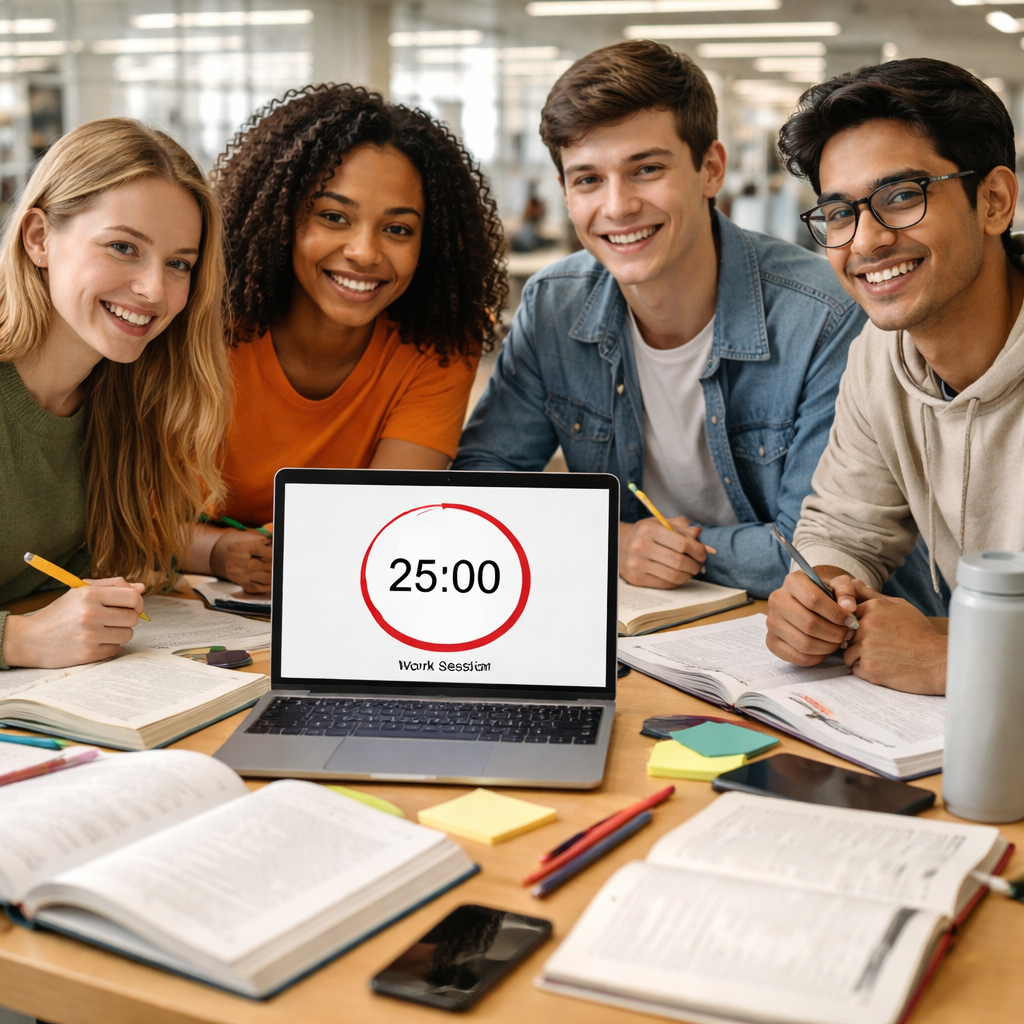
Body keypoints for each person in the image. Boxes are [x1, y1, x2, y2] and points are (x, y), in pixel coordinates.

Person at [455, 41, 941, 605]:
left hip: (840, 642)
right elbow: (481, 488)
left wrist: (660, 550)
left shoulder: (825, 314)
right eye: (587, 179)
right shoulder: (553, 308)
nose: (616, 207)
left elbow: (816, 553)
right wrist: (613, 542)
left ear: (710, 169)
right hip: (659, 630)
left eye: (646, 169)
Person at [766, 59, 1024, 694]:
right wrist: (822, 595)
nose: (866, 241)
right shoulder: (880, 355)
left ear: (993, 201)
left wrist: (961, 659)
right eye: (838, 213)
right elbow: (846, 529)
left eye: (902, 197)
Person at [199, 85, 507, 593]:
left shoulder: (442, 340)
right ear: (280, 216)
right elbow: (129, 518)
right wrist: (213, 551)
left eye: (399, 230)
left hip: (342, 593)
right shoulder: (207, 327)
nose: (364, 252)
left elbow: (389, 518)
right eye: (334, 217)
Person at [0, 118, 229, 668]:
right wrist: (16, 640)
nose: (155, 289)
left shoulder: (121, 393)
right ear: (39, 239)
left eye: (179, 264)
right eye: (124, 247)